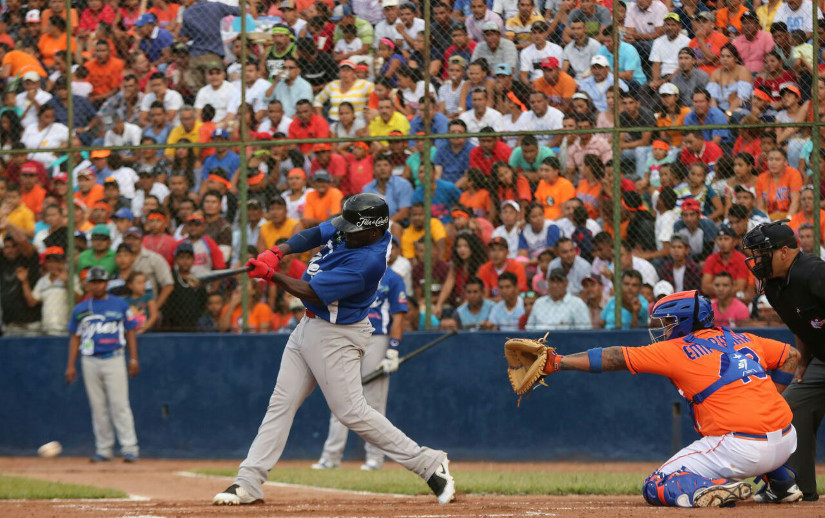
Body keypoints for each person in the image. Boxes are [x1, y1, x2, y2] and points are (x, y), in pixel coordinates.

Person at [212, 194, 455, 506]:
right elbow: (316, 233)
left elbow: (311, 293)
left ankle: (429, 463)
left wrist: (271, 275)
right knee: (281, 404)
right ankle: (248, 482)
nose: (345, 233)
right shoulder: (358, 228)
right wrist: (278, 251)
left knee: (352, 412)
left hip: (336, 335)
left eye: (353, 231)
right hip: (309, 326)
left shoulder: (367, 262)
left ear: (374, 232)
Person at [537, 289, 801, 507]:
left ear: (685, 322)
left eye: (669, 322)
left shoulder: (676, 348)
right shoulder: (743, 338)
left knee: (656, 484)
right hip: (787, 439)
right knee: (753, 435)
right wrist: (770, 395)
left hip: (742, 450)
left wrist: (558, 362)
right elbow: (792, 355)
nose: (664, 329)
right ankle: (782, 483)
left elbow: (615, 357)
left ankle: (713, 488)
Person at [743, 221, 825, 502]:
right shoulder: (773, 286)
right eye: (754, 253)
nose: (757, 260)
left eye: (762, 253)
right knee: (789, 408)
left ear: (784, 252)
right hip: (821, 360)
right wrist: (803, 360)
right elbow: (800, 324)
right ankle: (798, 486)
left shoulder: (813, 272)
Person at [312, 268, 407, 470]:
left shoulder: (393, 278)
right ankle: (331, 456)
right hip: (350, 334)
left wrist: (393, 350)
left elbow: (398, 316)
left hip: (377, 338)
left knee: (374, 401)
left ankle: (375, 457)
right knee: (340, 397)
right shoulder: (354, 269)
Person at [65, 266, 140, 463]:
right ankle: (104, 449)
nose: (97, 285)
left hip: (114, 357)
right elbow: (75, 337)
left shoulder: (120, 304)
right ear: (87, 284)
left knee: (120, 405)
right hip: (90, 359)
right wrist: (70, 365)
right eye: (94, 282)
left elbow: (131, 331)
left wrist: (133, 358)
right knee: (98, 407)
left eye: (100, 282)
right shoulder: (81, 308)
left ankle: (129, 448)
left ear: (106, 283)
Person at [526, 267, 590, 330]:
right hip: (540, 336)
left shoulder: (577, 304)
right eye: (552, 281)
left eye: (559, 281)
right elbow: (529, 329)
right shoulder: (539, 303)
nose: (554, 285)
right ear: (548, 283)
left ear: (566, 283)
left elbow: (584, 332)